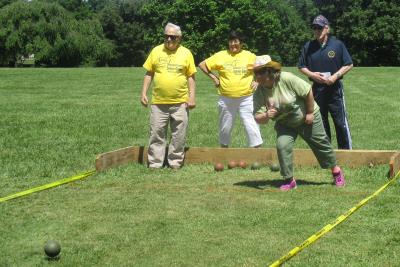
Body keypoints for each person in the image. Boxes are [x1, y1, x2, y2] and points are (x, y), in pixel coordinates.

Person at [252, 55, 345, 191]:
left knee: (321, 144)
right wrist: (266, 114)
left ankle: (336, 171)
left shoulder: (286, 78)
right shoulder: (259, 91)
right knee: (282, 145)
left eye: (260, 72)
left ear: (269, 71)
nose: (257, 75)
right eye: (255, 72)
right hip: (285, 123)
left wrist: (309, 113)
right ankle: (289, 180)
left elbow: (308, 91)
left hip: (306, 117)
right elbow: (258, 118)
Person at [140, 22, 196, 169]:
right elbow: (149, 73)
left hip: (180, 102)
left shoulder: (186, 53)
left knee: (179, 134)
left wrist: (192, 97)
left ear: (179, 38)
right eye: (166, 36)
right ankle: (155, 163)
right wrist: (143, 93)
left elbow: (191, 77)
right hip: (158, 102)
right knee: (157, 133)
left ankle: (175, 162)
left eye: (172, 37)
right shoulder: (156, 51)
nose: (169, 40)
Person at [198, 31, 263, 148]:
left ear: (241, 43)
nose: (233, 44)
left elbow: (264, 66)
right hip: (226, 98)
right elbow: (202, 64)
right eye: (231, 41)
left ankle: (257, 151)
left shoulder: (250, 56)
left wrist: (258, 80)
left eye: (236, 41)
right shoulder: (221, 55)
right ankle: (224, 151)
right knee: (225, 126)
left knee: (251, 124)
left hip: (246, 98)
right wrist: (214, 78)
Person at [298, 15, 353, 149]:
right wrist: (312, 75)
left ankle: (346, 152)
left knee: (340, 123)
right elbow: (301, 66)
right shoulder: (308, 46)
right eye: (314, 28)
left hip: (335, 90)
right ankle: (326, 152)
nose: (317, 30)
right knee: (321, 122)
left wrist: (335, 76)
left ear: (327, 28)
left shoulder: (337, 45)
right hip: (317, 90)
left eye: (320, 28)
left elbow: (349, 64)